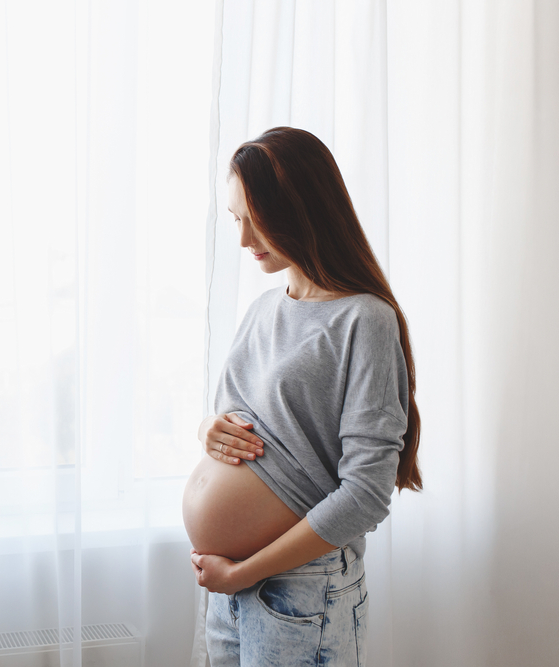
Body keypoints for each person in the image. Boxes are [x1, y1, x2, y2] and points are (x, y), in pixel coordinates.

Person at [182, 126, 422, 666]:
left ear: (300, 208)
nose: (244, 240)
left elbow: (366, 493)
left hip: (299, 591)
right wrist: (206, 428)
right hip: (234, 590)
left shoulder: (365, 320)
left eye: (255, 219)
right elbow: (236, 420)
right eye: (235, 219)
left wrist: (245, 571)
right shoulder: (265, 309)